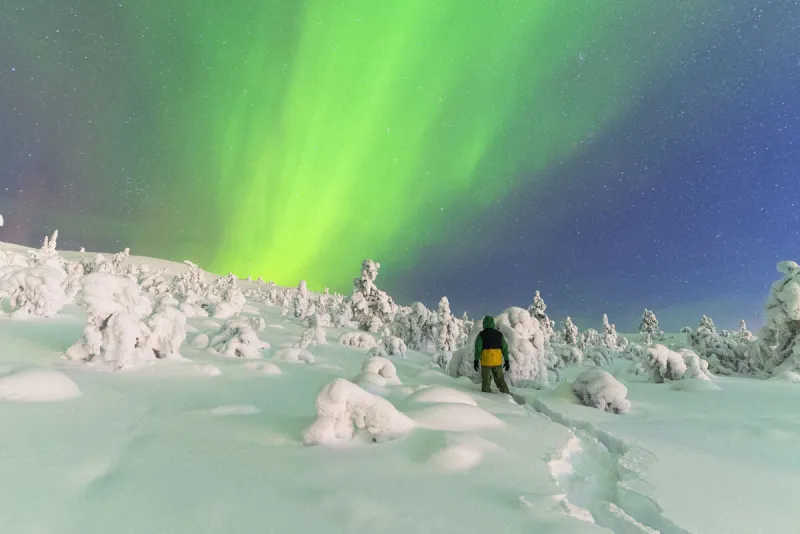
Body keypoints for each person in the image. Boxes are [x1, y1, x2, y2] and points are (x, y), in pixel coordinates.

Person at [473, 316, 510, 394]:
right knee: (500, 380)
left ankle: (487, 399)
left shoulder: (481, 334)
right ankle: (506, 394)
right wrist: (506, 360)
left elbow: (478, 349)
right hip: (497, 362)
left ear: (484, 324)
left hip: (486, 362)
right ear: (493, 323)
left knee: (486, 382)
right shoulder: (499, 334)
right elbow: (505, 348)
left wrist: (476, 360)